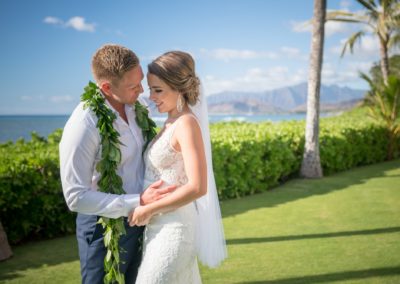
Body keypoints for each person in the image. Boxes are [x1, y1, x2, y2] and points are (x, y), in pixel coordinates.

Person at [59, 44, 176, 284]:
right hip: (103, 228)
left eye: (141, 81)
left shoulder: (138, 107)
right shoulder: (83, 125)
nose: (142, 90)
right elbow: (75, 197)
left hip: (144, 219)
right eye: (134, 86)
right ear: (106, 88)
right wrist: (138, 201)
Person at [129, 51, 227, 283]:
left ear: (178, 87)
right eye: (150, 88)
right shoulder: (170, 121)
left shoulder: (186, 124)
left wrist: (149, 209)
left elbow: (197, 187)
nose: (151, 96)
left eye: (158, 89)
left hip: (175, 228)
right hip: (157, 228)